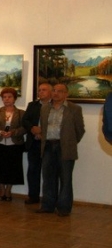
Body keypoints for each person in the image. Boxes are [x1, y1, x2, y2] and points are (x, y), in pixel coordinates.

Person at [38, 83, 85, 216]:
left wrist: (69, 142)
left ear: (66, 94)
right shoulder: (45, 108)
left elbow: (80, 130)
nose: (56, 93)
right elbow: (43, 127)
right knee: (48, 178)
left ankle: (64, 208)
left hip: (65, 147)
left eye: (60, 91)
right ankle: (48, 206)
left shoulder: (74, 109)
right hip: (48, 146)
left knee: (65, 179)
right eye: (54, 90)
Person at [0, 87, 26, 201]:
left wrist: (13, 132)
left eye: (9, 97)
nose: (7, 99)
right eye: (4, 97)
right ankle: (1, 190)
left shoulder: (21, 113)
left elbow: (24, 128)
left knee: (13, 168)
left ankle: (8, 190)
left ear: (14, 99)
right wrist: (0, 132)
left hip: (15, 144)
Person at [21, 82, 53, 204]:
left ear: (51, 92)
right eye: (39, 90)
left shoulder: (55, 106)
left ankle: (49, 198)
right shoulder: (32, 105)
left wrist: (42, 131)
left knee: (49, 172)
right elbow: (25, 120)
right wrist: (32, 129)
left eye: (44, 90)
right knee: (33, 170)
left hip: (49, 144)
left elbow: (57, 124)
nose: (40, 92)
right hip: (34, 143)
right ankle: (33, 196)